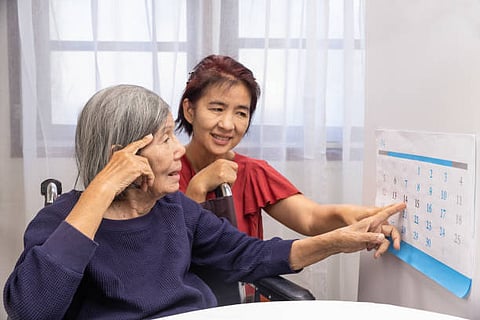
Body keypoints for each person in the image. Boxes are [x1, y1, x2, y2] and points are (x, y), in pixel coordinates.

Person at [3, 84, 405, 320]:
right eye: (164, 138)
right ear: (122, 156)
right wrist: (100, 192)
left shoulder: (175, 210)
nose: (179, 151)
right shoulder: (58, 223)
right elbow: (32, 310)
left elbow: (253, 256)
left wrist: (341, 239)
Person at [176, 54, 399, 240]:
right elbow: (170, 250)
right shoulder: (164, 172)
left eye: (241, 113)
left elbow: (310, 218)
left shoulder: (252, 172)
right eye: (217, 109)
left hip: (240, 292)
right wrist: (198, 186)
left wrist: (355, 216)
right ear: (190, 110)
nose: (227, 124)